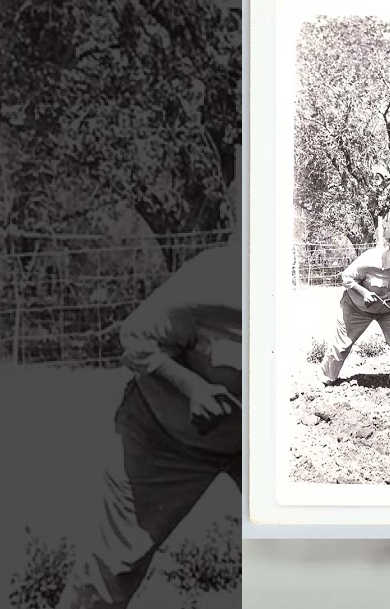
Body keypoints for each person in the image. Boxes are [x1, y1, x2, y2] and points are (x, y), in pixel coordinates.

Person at [57, 241, 241, 609]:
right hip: (163, 439)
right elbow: (135, 336)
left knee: (311, 549)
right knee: (112, 569)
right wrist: (192, 387)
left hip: (257, 442)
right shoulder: (214, 278)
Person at [320, 224, 390, 388]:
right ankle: (326, 378)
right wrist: (364, 292)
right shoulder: (371, 259)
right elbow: (346, 277)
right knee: (342, 345)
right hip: (356, 308)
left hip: (389, 309)